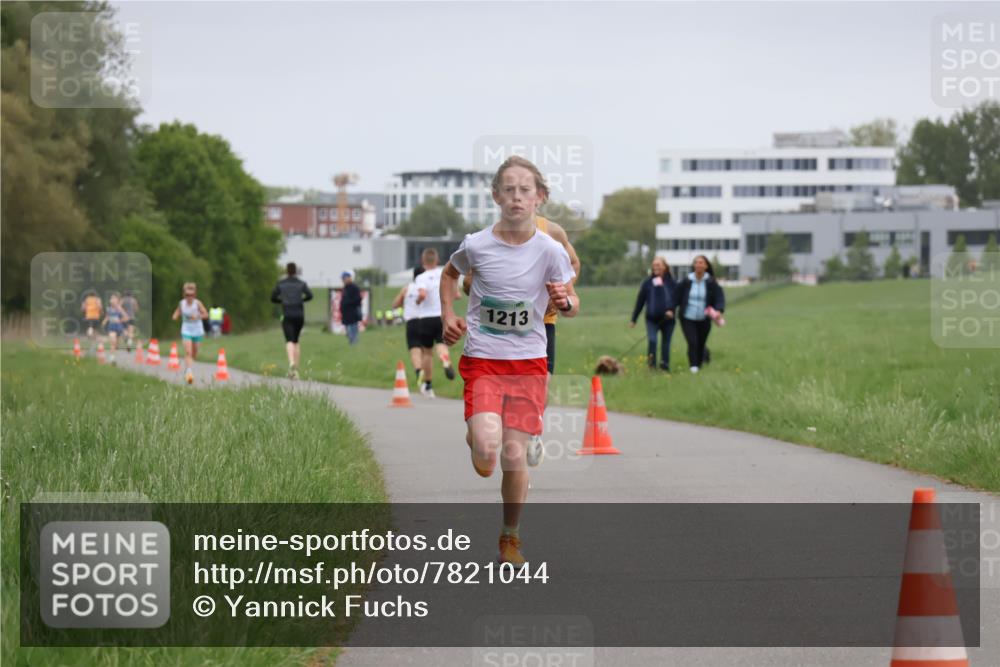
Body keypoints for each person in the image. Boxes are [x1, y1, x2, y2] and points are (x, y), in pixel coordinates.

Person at [441, 155, 578, 567]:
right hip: (484, 359)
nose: (517, 197)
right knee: (486, 447)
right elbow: (450, 274)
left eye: (525, 190)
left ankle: (509, 539)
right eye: (509, 189)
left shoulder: (551, 250)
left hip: (529, 361)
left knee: (514, 455)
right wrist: (448, 314)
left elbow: (571, 303)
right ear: (497, 196)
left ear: (539, 197)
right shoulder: (477, 244)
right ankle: (480, 445)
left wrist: (565, 301)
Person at [463, 218, 580, 375]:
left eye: (528, 192)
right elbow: (468, 281)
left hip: (540, 322)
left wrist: (556, 294)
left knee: (540, 388)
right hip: (493, 333)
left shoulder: (553, 232)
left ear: (541, 197)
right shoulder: (493, 234)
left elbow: (572, 264)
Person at [666, 255, 725, 374]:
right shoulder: (686, 281)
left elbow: (719, 298)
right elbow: (675, 296)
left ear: (706, 266)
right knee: (692, 342)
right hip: (688, 317)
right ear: (694, 266)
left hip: (704, 318)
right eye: (696, 263)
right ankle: (693, 367)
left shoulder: (711, 282)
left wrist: (718, 310)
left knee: (701, 343)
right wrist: (670, 309)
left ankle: (699, 364)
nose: (698, 265)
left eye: (701, 263)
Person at [413, 247, 457, 397]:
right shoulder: (443, 274)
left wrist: (418, 301)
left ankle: (429, 385)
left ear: (423, 261)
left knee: (427, 352)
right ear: (437, 260)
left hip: (425, 318)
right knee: (441, 344)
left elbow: (422, 294)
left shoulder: (421, 278)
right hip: (441, 316)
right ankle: (445, 360)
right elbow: (456, 294)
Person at [629, 256, 677, 371]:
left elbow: (677, 299)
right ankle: (651, 366)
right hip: (652, 319)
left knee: (666, 343)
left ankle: (664, 366)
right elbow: (640, 301)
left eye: (658, 265)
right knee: (652, 340)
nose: (656, 267)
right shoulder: (647, 283)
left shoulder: (672, 282)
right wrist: (634, 319)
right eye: (654, 265)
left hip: (668, 320)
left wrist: (672, 310)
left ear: (665, 267)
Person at [271, 262, 313, 379]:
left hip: (287, 313)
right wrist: (300, 300)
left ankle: (291, 363)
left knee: (289, 340)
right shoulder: (301, 283)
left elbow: (273, 297)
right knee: (296, 340)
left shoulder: (281, 284)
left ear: (286, 271)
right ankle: (296, 369)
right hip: (299, 314)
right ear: (296, 271)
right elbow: (310, 295)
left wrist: (282, 301)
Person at [392, 265, 427, 386]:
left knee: (414, 350)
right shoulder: (428, 288)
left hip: (412, 321)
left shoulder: (406, 289)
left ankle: (418, 370)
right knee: (426, 351)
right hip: (425, 320)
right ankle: (428, 381)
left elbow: (395, 304)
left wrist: (405, 303)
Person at [171, 282, 209, 384]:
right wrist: (175, 315)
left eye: (191, 295)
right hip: (186, 329)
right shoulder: (182, 303)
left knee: (194, 353)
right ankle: (189, 372)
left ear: (194, 295)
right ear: (184, 295)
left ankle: (189, 366)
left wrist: (197, 317)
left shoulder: (197, 303)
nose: (189, 297)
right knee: (188, 351)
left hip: (197, 330)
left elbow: (206, 314)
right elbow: (178, 311)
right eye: (187, 295)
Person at [102, 293, 129, 365]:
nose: (112, 300)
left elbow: (126, 317)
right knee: (112, 342)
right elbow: (107, 316)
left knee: (117, 345)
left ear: (117, 300)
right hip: (111, 327)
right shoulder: (108, 308)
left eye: (114, 299)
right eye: (111, 298)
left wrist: (120, 320)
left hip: (119, 328)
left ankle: (125, 340)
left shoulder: (119, 308)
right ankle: (112, 359)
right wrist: (104, 322)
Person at [339, 270, 362, 345]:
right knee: (348, 332)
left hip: (353, 313)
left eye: (345, 278)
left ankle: (354, 344)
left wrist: (348, 303)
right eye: (343, 278)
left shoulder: (354, 288)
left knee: (353, 330)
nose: (344, 280)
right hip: (346, 314)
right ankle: (352, 343)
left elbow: (358, 299)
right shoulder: (345, 288)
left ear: (349, 278)